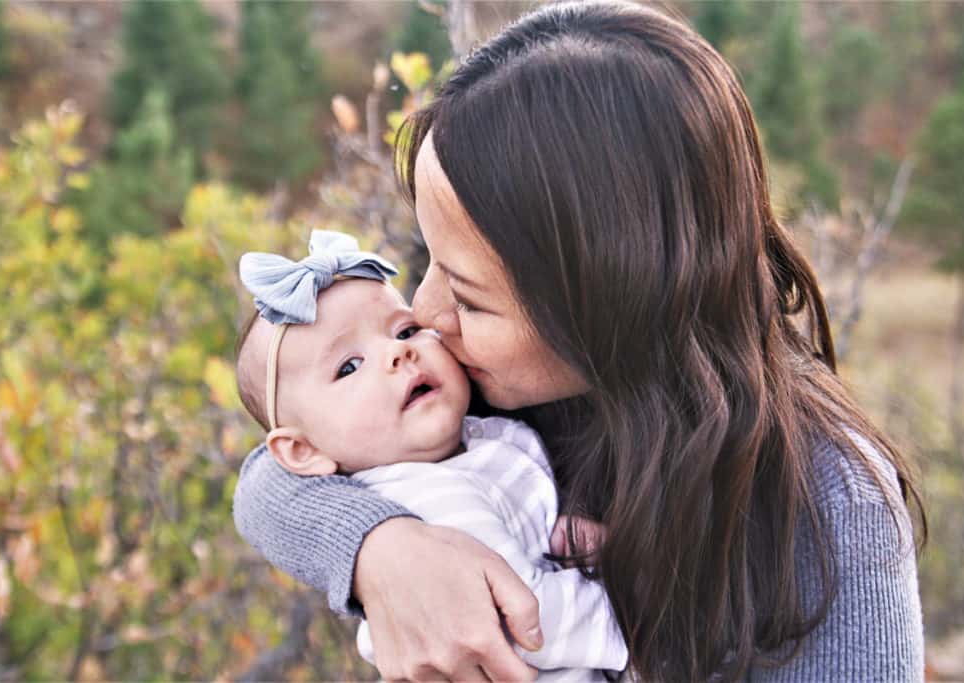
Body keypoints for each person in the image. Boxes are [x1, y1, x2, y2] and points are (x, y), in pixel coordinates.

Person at [232, 2, 926, 680]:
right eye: (429, 261)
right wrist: (378, 549)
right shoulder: (497, 385)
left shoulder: (831, 508)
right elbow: (272, 474)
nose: (425, 311)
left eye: (469, 295)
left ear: (603, 306)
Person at [234, 231, 627, 679]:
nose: (399, 351)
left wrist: (561, 539)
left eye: (404, 331)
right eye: (349, 366)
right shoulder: (430, 500)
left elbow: (518, 525)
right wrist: (644, 614)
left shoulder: (469, 444)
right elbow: (528, 621)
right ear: (303, 450)